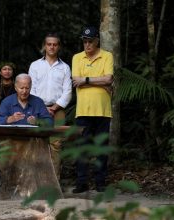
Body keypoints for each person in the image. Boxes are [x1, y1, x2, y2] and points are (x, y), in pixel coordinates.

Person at [71, 26, 114, 193]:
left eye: (90, 41)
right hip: (83, 111)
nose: (87, 45)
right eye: (84, 41)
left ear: (97, 41)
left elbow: (109, 79)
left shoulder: (107, 56)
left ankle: (100, 181)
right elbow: (76, 80)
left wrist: (86, 79)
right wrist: (99, 81)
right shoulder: (77, 58)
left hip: (103, 111)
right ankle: (82, 182)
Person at [28, 32, 72, 180]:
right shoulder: (35, 65)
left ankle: (54, 181)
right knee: (37, 143)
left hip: (58, 111)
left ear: (58, 46)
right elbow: (30, 89)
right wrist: (42, 108)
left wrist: (54, 108)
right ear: (44, 46)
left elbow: (67, 91)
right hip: (37, 109)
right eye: (49, 44)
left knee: (56, 145)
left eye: (55, 44)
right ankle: (37, 180)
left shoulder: (65, 67)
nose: (52, 47)